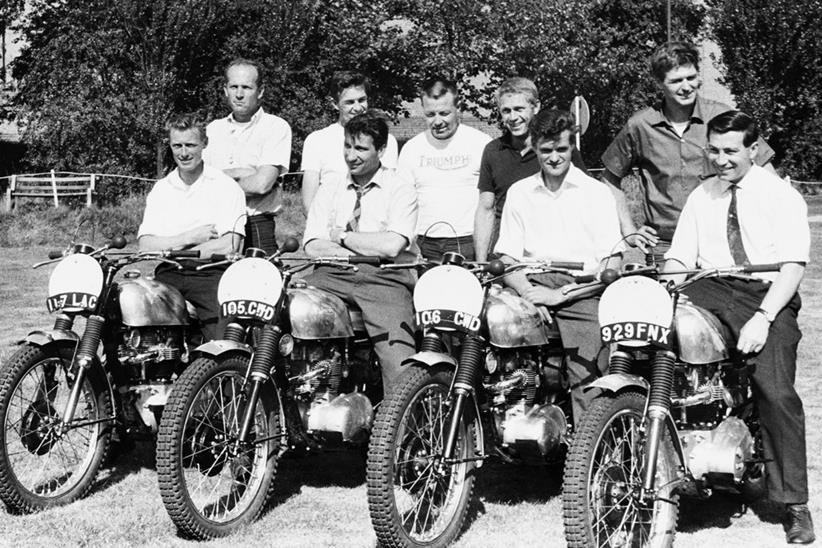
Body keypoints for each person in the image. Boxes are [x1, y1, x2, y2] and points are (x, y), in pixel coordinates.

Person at [664, 110, 813, 545]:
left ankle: (793, 503)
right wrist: (665, 289)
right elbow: (679, 258)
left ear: (753, 148)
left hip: (764, 293)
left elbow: (792, 267)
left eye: (732, 151)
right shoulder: (701, 196)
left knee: (775, 389)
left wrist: (764, 318)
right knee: (658, 350)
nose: (721, 159)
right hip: (710, 286)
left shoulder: (780, 194)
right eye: (714, 149)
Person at [495, 109, 622, 423]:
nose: (554, 157)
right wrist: (528, 291)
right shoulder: (519, 192)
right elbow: (508, 257)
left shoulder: (596, 193)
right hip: (528, 285)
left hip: (580, 289)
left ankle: (588, 453)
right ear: (535, 148)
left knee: (587, 376)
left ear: (572, 148)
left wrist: (560, 296)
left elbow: (612, 262)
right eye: (546, 150)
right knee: (483, 336)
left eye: (562, 149)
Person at [601, 41, 774, 260]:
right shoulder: (640, 125)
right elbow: (610, 178)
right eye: (676, 81)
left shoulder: (722, 117)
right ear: (659, 83)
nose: (686, 87)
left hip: (719, 240)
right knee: (669, 294)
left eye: (691, 78)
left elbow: (767, 173)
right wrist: (629, 230)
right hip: (664, 244)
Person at [303, 110, 418, 393]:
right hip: (331, 274)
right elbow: (312, 244)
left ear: (381, 150)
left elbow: (392, 246)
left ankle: (398, 429)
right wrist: (357, 249)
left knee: (399, 364)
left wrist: (341, 236)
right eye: (347, 146)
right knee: (288, 321)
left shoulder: (400, 188)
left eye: (361, 148)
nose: (351, 155)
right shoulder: (330, 186)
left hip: (386, 280)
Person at [138, 113, 247, 341]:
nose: (184, 153)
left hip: (211, 275)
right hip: (170, 272)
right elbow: (146, 245)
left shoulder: (226, 187)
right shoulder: (162, 189)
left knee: (223, 339)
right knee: (131, 315)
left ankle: (219, 373)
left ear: (204, 144)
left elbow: (231, 245)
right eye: (177, 145)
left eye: (190, 145)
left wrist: (168, 244)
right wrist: (192, 237)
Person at [474, 77, 588, 262]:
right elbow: (486, 209)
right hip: (507, 254)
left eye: (519, 109)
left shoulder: (558, 151)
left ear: (535, 108)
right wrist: (481, 264)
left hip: (550, 252)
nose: (512, 117)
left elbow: (586, 197)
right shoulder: (493, 151)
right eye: (506, 111)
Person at [202, 58, 292, 254]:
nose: (239, 94)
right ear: (225, 90)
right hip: (218, 227)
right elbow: (202, 185)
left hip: (257, 225)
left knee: (264, 281)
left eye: (246, 87)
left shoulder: (276, 127)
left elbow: (262, 184)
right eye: (234, 87)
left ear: (260, 91)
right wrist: (244, 172)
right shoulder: (212, 130)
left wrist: (220, 179)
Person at [399, 77, 491, 261]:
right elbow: (401, 201)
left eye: (444, 113)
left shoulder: (482, 144)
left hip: (468, 241)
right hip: (424, 242)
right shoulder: (411, 148)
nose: (438, 121)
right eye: (430, 114)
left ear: (459, 108)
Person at [300, 71, 399, 211]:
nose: (358, 108)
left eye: (362, 100)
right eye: (349, 102)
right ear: (334, 104)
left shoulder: (386, 140)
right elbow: (309, 202)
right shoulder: (317, 141)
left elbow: (389, 191)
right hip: (329, 224)